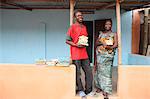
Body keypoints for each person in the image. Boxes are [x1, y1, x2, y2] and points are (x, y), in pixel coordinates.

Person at [66, 10, 93, 98]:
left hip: (84, 53)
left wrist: (85, 42)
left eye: (81, 15)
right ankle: (81, 90)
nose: (80, 16)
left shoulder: (84, 27)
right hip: (76, 54)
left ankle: (88, 90)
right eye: (78, 15)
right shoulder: (72, 27)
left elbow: (84, 38)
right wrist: (76, 44)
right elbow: (67, 40)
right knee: (77, 74)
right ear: (75, 17)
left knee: (89, 72)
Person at [94, 19, 118, 99]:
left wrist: (109, 47)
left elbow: (116, 45)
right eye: (106, 24)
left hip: (108, 56)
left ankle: (106, 90)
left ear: (111, 25)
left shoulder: (114, 34)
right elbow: (96, 43)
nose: (108, 26)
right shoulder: (101, 34)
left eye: (109, 24)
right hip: (100, 56)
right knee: (99, 72)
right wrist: (102, 42)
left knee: (107, 73)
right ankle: (99, 87)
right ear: (104, 25)